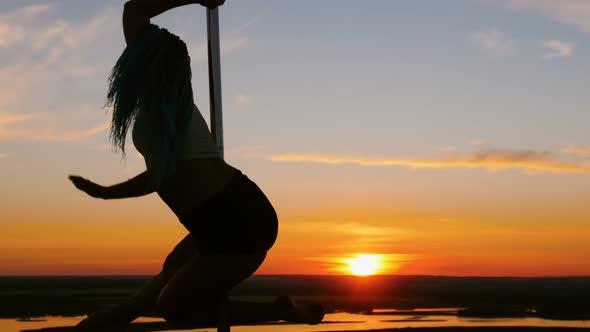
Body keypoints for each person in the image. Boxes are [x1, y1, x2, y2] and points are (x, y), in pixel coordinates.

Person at [68, 0, 324, 330]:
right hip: (209, 221)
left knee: (174, 305)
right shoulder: (152, 108)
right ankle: (113, 318)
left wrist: (105, 193)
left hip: (239, 217)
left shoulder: (179, 109)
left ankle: (280, 308)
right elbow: (135, 8)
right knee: (169, 274)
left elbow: (158, 178)